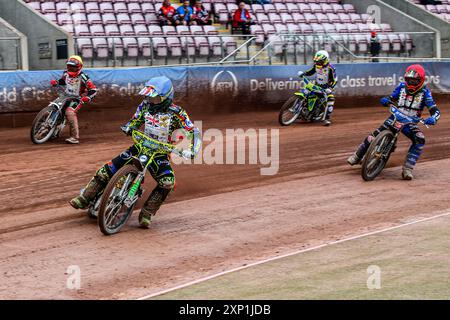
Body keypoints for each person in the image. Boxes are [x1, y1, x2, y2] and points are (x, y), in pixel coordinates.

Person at [69, 76, 201, 228]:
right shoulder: (145, 105)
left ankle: (147, 213)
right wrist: (129, 126)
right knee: (107, 169)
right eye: (150, 97)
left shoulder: (178, 113)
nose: (151, 101)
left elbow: (193, 131)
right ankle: (85, 197)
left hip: (159, 153)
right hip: (140, 146)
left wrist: (193, 149)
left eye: (156, 98)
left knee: (168, 182)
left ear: (165, 98)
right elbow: (136, 119)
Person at [347, 64, 440, 180]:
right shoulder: (401, 87)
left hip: (410, 123)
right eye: (408, 80)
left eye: (414, 81)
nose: (411, 83)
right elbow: (391, 98)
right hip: (395, 117)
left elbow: (435, 110)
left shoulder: (425, 93)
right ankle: (357, 155)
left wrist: (434, 118)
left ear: (420, 81)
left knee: (420, 139)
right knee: (374, 135)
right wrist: (386, 100)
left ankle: (407, 168)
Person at [50, 55, 97, 144]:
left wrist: (88, 97)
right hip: (65, 95)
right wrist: (56, 82)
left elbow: (93, 89)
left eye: (73, 67)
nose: (71, 68)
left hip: (77, 98)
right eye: (69, 66)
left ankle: (74, 137)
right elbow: (63, 81)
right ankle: (49, 130)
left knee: (70, 112)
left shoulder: (83, 77)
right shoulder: (65, 73)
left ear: (79, 67)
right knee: (53, 107)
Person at [297, 50, 337, 126]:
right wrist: (304, 73)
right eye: (316, 61)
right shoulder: (316, 66)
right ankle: (301, 111)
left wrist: (330, 88)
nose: (317, 63)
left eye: (319, 62)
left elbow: (335, 80)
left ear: (325, 60)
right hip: (317, 85)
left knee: (331, 99)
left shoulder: (331, 68)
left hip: (326, 89)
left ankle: (326, 118)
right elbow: (311, 71)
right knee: (306, 93)